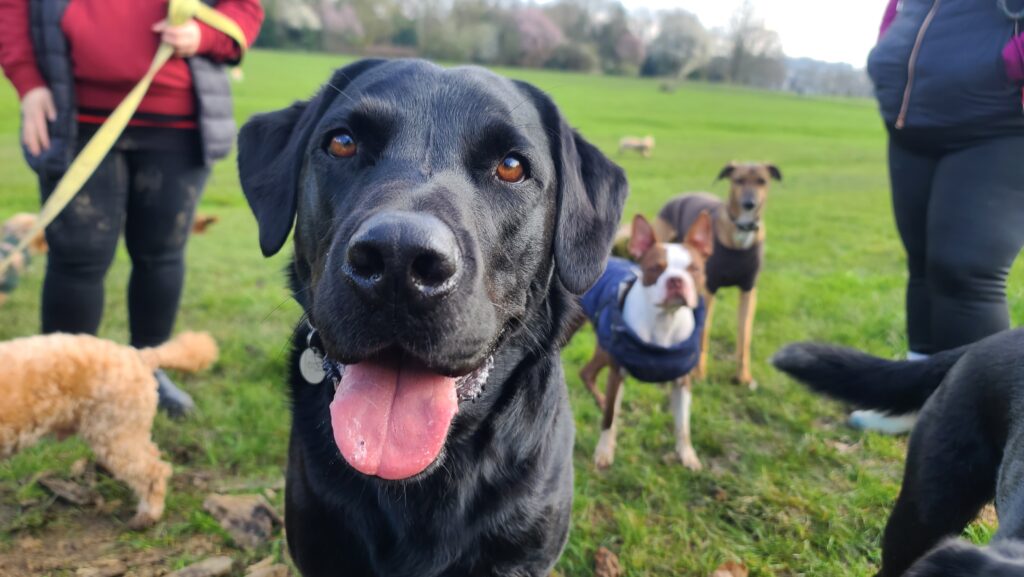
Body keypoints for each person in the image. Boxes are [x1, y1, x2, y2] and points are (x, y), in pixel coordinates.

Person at [0, 0, 264, 417]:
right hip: (75, 120)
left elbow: (244, 9)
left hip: (177, 123)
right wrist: (29, 84)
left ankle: (148, 373)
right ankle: (61, 382)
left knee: (160, 254)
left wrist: (205, 36)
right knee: (76, 259)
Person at [853, 0, 1024, 433]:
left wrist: (1009, 59)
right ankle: (920, 402)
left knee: (965, 272)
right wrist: (888, 48)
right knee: (924, 264)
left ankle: (982, 432)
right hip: (912, 122)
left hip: (1000, 124)